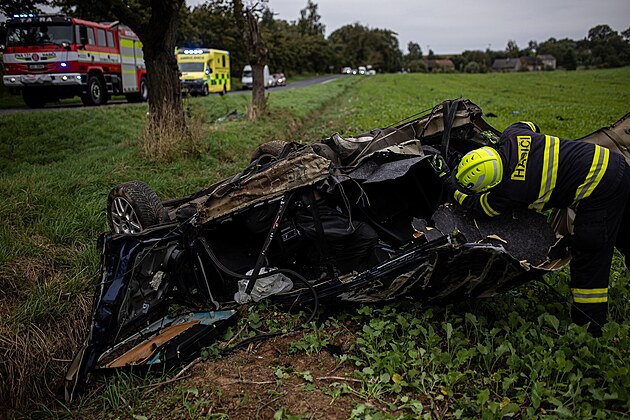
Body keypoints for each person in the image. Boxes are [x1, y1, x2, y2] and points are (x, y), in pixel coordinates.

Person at [442, 121, 630, 336]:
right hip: (616, 162)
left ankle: (589, 329)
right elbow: (531, 125)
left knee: (590, 255)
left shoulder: (510, 191)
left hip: (600, 189)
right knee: (625, 231)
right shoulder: (512, 135)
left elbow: (478, 208)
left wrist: (449, 184)